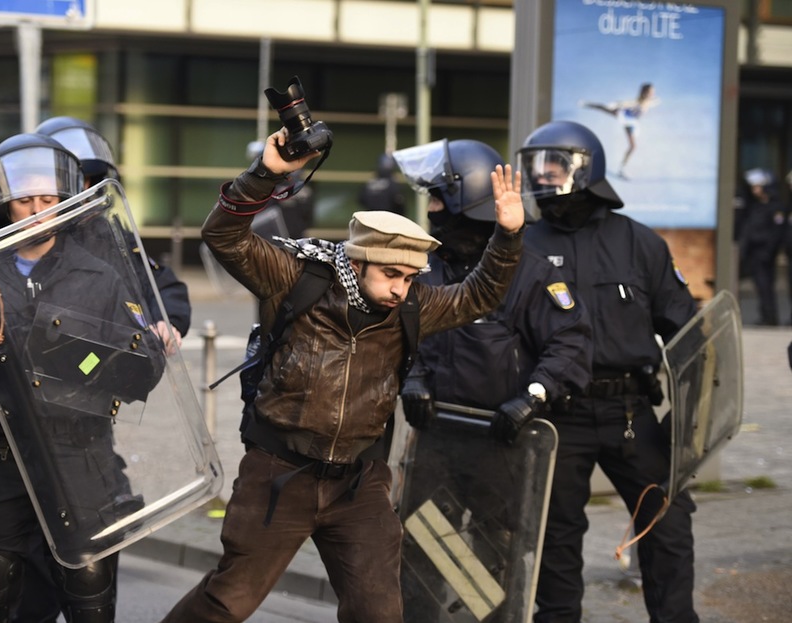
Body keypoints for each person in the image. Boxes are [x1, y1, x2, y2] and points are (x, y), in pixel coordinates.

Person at [157, 127, 526, 623]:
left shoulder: (412, 305)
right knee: (228, 602)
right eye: (390, 275)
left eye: (409, 278)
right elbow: (222, 235)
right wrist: (264, 175)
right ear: (359, 260)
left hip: (359, 485)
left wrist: (508, 236)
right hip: (279, 473)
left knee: (379, 613)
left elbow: (478, 296)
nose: (400, 289)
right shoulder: (297, 277)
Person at [0, 133, 167, 622]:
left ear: (65, 200)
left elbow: (145, 367)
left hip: (80, 456)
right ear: (2, 203)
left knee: (89, 589)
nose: (37, 211)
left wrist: (87, 356)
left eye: (48, 199)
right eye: (25, 200)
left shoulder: (101, 275)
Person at [391, 138, 593, 621]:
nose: (431, 209)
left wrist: (533, 397)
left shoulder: (530, 273)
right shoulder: (426, 268)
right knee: (420, 541)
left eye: (439, 198)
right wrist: (412, 379)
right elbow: (400, 335)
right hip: (434, 437)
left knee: (495, 548)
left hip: (501, 441)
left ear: (470, 201)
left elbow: (570, 342)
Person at [517, 120, 699, 623]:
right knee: (555, 537)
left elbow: (689, 334)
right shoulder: (521, 246)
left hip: (631, 413)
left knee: (668, 526)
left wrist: (691, 420)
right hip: (557, 416)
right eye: (536, 166)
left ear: (586, 168)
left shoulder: (641, 243)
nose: (542, 175)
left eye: (554, 165)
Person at [33, 115, 192, 344]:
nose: (82, 189)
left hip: (116, 356)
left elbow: (159, 283)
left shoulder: (109, 235)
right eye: (71, 180)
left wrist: (166, 321)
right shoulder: (30, 241)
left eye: (87, 180)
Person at [737, 168, 785, 326]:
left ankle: (770, 317)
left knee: (766, 286)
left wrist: (768, 251)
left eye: (757, 187)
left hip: (765, 253)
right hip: (754, 252)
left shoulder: (774, 206)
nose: (755, 190)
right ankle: (766, 315)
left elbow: (776, 232)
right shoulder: (754, 206)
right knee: (760, 286)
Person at [581, 83, 658, 179]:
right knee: (605, 109)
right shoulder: (638, 101)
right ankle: (622, 169)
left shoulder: (648, 101)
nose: (653, 93)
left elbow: (650, 102)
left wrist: (654, 101)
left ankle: (622, 169)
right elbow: (627, 103)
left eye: (653, 91)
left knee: (632, 147)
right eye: (651, 92)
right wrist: (616, 104)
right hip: (626, 119)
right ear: (645, 93)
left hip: (632, 122)